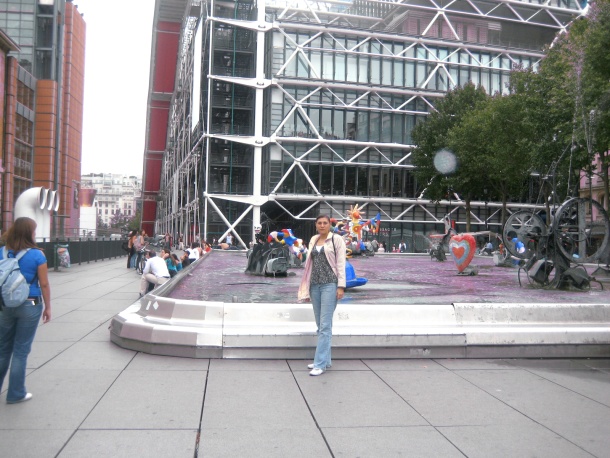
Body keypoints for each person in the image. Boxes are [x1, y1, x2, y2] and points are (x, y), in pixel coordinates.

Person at [0, 217, 51, 404]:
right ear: (29, 233)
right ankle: (15, 393)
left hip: (5, 304)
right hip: (30, 303)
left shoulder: (2, 252)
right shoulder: (38, 255)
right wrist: (48, 307)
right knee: (20, 350)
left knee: (3, 349)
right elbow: (44, 284)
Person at [298, 214, 346, 376]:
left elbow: (341, 263)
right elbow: (309, 262)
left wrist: (341, 286)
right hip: (315, 285)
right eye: (319, 223)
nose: (322, 225)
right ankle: (326, 360)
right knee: (321, 325)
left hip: (330, 285)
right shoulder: (313, 239)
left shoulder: (336, 239)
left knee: (325, 325)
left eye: (325, 223)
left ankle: (320, 364)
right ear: (316, 225)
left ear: (329, 225)